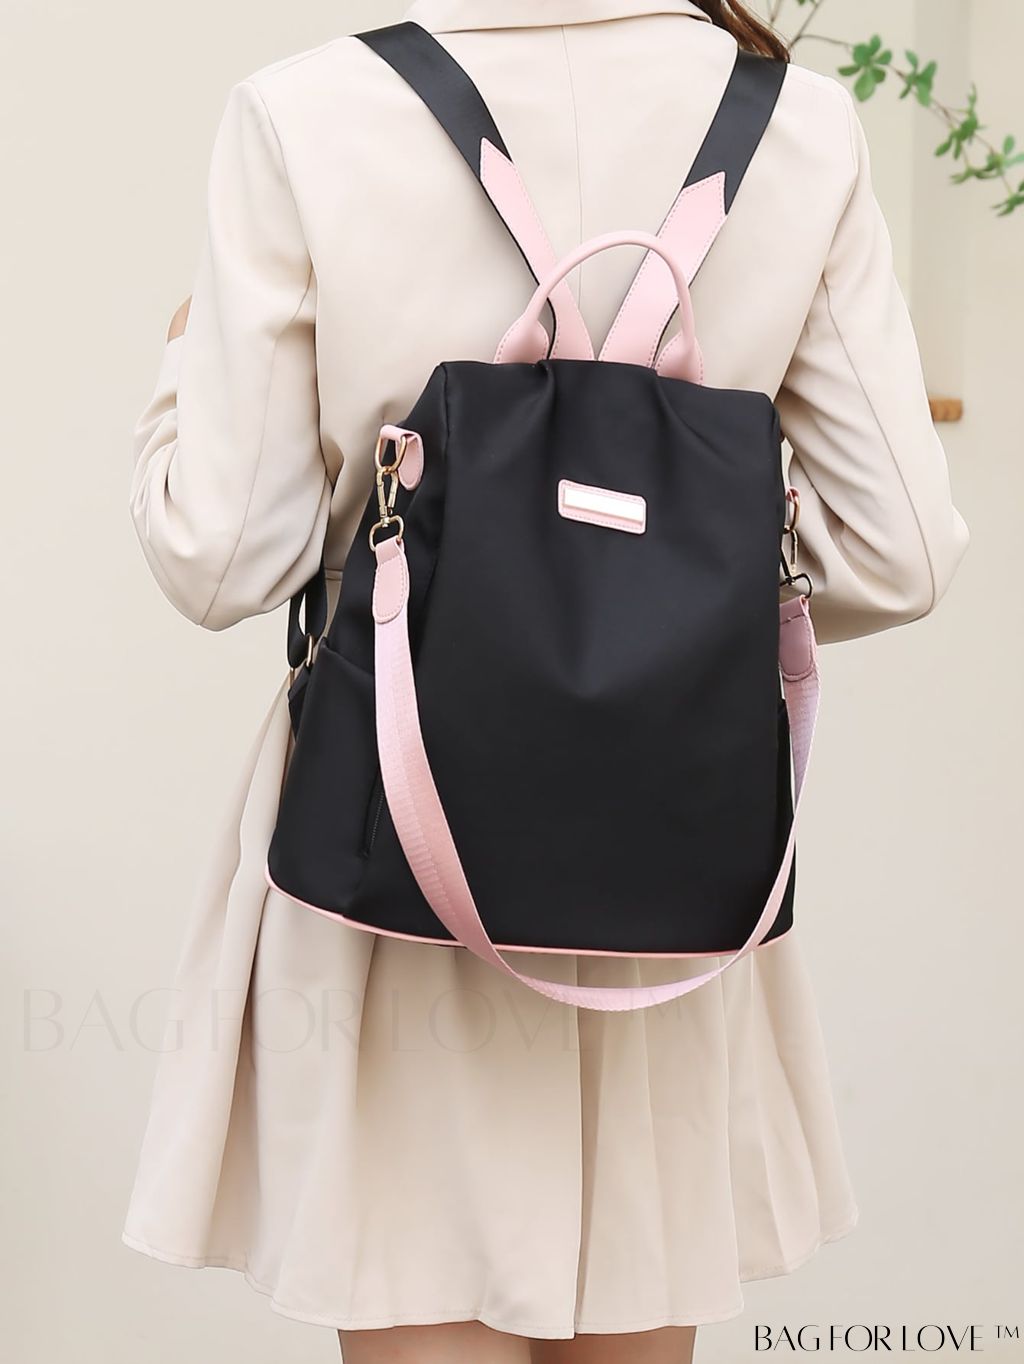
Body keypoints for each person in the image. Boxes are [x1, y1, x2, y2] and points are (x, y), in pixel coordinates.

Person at [123, 2, 970, 1361]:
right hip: (667, 886)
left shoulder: (306, 113)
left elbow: (222, 558)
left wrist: (186, 356)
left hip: (395, 862)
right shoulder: (798, 125)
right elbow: (900, 552)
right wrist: (676, 568)